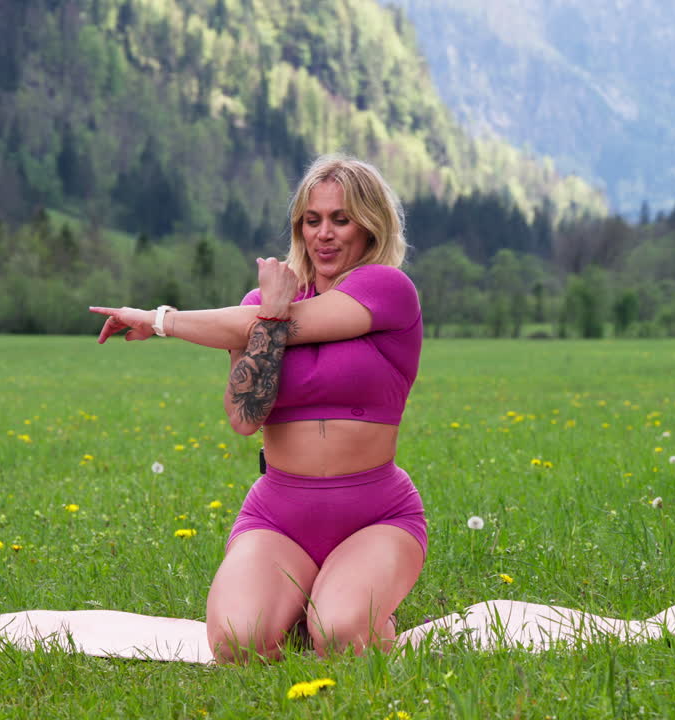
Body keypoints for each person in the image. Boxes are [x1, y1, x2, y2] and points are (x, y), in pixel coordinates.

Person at [89, 154, 425, 664]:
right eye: (312, 220)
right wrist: (264, 313)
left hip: (375, 515)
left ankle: (348, 608)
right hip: (279, 514)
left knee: (339, 636)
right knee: (237, 645)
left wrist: (160, 320)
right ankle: (299, 606)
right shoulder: (255, 308)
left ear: (371, 225)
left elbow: (290, 321)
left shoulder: (388, 289)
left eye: (341, 218)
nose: (324, 234)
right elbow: (245, 419)